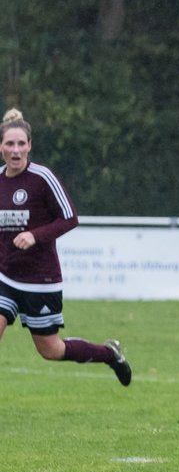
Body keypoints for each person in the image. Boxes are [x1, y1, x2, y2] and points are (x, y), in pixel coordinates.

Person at [0, 109, 131, 385]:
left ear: (30, 146)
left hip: (40, 281)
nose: (15, 150)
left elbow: (70, 218)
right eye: (10, 144)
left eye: (21, 143)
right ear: (1, 147)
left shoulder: (42, 178)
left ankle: (109, 354)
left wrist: (35, 235)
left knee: (51, 350)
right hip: (5, 277)